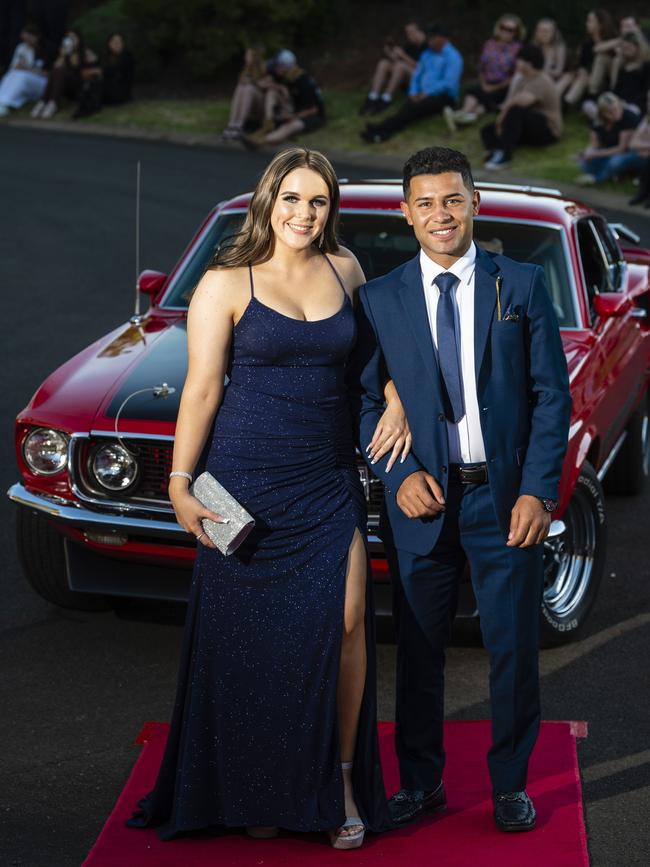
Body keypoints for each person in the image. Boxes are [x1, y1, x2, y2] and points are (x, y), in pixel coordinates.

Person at [126, 146, 412, 846]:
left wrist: (399, 396)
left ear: (330, 208)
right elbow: (201, 389)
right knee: (250, 642)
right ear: (268, 200)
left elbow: (372, 363)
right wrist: (179, 482)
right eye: (291, 198)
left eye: (317, 201)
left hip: (325, 479)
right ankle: (255, 785)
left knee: (346, 624)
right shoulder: (226, 283)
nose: (303, 214)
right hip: (243, 482)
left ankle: (339, 781)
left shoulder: (346, 268)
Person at [350, 145, 571, 835]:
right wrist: (398, 474)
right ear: (404, 214)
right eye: (425, 202)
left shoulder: (523, 284)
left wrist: (538, 490)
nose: (440, 214)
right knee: (418, 649)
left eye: (452, 199)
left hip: (503, 497)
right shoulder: (379, 299)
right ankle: (421, 782)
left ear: (475, 202)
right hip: (421, 500)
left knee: (511, 648)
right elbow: (360, 402)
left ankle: (510, 784)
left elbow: (550, 398)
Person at [361, 24, 463, 144]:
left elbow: (449, 83)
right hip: (422, 94)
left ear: (442, 38)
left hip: (444, 97)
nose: (429, 41)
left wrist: (427, 93)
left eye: (432, 38)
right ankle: (381, 130)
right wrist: (413, 92)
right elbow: (417, 75)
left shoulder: (453, 56)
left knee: (413, 110)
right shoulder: (427, 54)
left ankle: (383, 132)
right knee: (406, 109)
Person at [480, 44, 562, 170]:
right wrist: (501, 122)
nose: (516, 63)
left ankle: (504, 155)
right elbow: (511, 101)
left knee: (515, 112)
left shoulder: (542, 80)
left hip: (547, 129)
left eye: (520, 60)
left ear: (529, 63)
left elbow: (519, 102)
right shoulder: (522, 80)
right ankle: (495, 150)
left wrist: (501, 119)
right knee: (487, 130)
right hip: (526, 125)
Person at [443, 13, 523, 131]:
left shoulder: (518, 49)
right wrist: (484, 83)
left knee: (487, 98)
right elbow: (482, 67)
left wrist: (495, 87)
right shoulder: (489, 44)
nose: (505, 32)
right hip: (485, 82)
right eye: (503, 28)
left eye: (510, 30)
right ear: (498, 28)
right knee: (474, 92)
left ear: (516, 32)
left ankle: (462, 117)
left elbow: (516, 75)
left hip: (503, 86)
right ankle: (464, 114)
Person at [242, 50, 325, 148]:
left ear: (284, 67)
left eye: (277, 66)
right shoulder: (285, 76)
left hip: (310, 115)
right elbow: (264, 83)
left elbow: (313, 110)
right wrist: (280, 88)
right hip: (294, 109)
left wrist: (293, 116)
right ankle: (269, 123)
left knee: (290, 126)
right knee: (272, 93)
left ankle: (262, 141)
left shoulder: (304, 82)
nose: (275, 69)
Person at [359, 21, 427, 116]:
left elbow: (423, 68)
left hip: (422, 79)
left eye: (411, 32)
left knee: (400, 66)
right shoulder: (410, 45)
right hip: (406, 74)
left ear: (420, 32)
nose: (408, 35)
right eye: (407, 33)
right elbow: (398, 61)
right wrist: (390, 54)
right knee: (384, 63)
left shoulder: (428, 46)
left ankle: (387, 98)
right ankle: (373, 97)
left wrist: (403, 56)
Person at [576, 90, 641, 183]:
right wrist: (587, 153)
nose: (616, 113)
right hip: (609, 151)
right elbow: (594, 144)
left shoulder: (628, 117)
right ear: (603, 113)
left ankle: (598, 178)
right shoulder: (598, 122)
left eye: (617, 108)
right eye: (610, 112)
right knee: (584, 163)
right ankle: (615, 174)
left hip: (628, 152)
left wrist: (595, 154)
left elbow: (621, 148)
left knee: (615, 162)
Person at [30, 28, 96, 119]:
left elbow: (80, 66)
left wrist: (74, 54)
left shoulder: (85, 52)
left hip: (78, 87)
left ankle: (52, 103)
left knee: (60, 71)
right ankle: (45, 102)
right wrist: (62, 55)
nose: (71, 40)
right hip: (63, 86)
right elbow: (55, 68)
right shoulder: (64, 53)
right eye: (68, 37)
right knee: (56, 70)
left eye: (73, 38)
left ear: (79, 39)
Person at [561, 9, 617, 108]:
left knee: (600, 57)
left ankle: (569, 104)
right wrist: (581, 70)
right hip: (588, 78)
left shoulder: (613, 39)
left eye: (590, 21)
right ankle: (566, 103)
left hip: (607, 81)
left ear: (600, 24)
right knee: (579, 76)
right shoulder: (587, 44)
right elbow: (582, 63)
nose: (586, 24)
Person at [72, 32, 134, 119]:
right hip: (107, 90)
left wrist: (97, 71)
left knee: (96, 84)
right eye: (114, 42)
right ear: (109, 43)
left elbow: (115, 70)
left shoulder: (126, 56)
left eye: (119, 42)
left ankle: (91, 107)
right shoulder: (106, 57)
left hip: (120, 92)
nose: (116, 44)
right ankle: (83, 107)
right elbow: (97, 66)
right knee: (91, 82)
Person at [221, 45, 269, 140]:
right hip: (250, 98)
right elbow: (242, 80)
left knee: (249, 88)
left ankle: (239, 125)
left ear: (255, 56)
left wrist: (252, 82)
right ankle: (232, 124)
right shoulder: (246, 69)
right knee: (241, 87)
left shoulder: (265, 67)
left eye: (248, 55)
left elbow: (266, 85)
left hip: (262, 102)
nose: (246, 58)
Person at [0, 24, 46, 116]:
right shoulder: (21, 47)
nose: (27, 41)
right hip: (25, 78)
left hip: (41, 82)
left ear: (37, 36)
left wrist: (27, 68)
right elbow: (14, 67)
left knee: (22, 76)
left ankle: (7, 103)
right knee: (12, 74)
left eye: (30, 38)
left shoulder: (45, 49)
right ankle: (2, 101)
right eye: (25, 39)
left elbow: (46, 73)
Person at [628, 90, 650, 206]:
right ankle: (643, 193)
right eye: (648, 100)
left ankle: (644, 193)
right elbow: (633, 144)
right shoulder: (647, 118)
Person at [532, 18, 567, 84]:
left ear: (553, 33)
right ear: (536, 33)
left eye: (547, 31)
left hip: (553, 81)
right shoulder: (534, 46)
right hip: (535, 78)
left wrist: (538, 72)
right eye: (541, 31)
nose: (544, 34)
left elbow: (558, 71)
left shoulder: (559, 47)